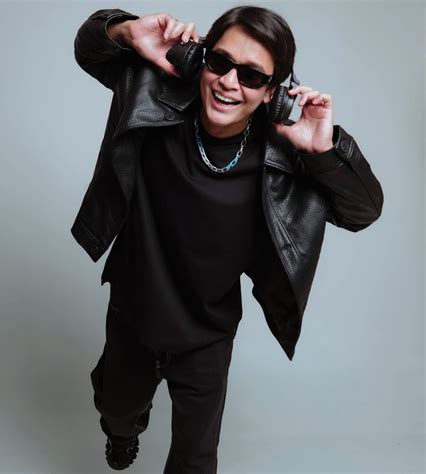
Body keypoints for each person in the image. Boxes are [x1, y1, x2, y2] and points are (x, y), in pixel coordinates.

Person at [70, 6, 383, 473]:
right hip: (133, 310)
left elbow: (364, 211)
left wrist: (323, 151)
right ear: (200, 59)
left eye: (252, 76)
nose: (229, 83)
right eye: (220, 62)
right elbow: (88, 49)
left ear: (273, 92)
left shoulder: (285, 156)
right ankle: (122, 430)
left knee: (195, 459)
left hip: (207, 333)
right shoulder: (152, 90)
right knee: (116, 407)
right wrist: (127, 32)